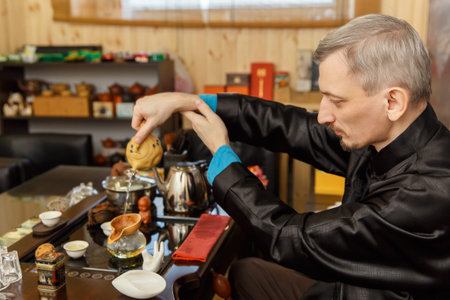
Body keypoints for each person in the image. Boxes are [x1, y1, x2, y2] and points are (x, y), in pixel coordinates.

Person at [131, 14, 450, 299]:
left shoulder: (423, 195)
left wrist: (223, 157)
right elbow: (291, 125)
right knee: (245, 272)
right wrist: (189, 101)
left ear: (393, 101)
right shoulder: (390, 134)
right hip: (351, 287)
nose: (323, 115)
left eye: (336, 101)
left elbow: (288, 236)